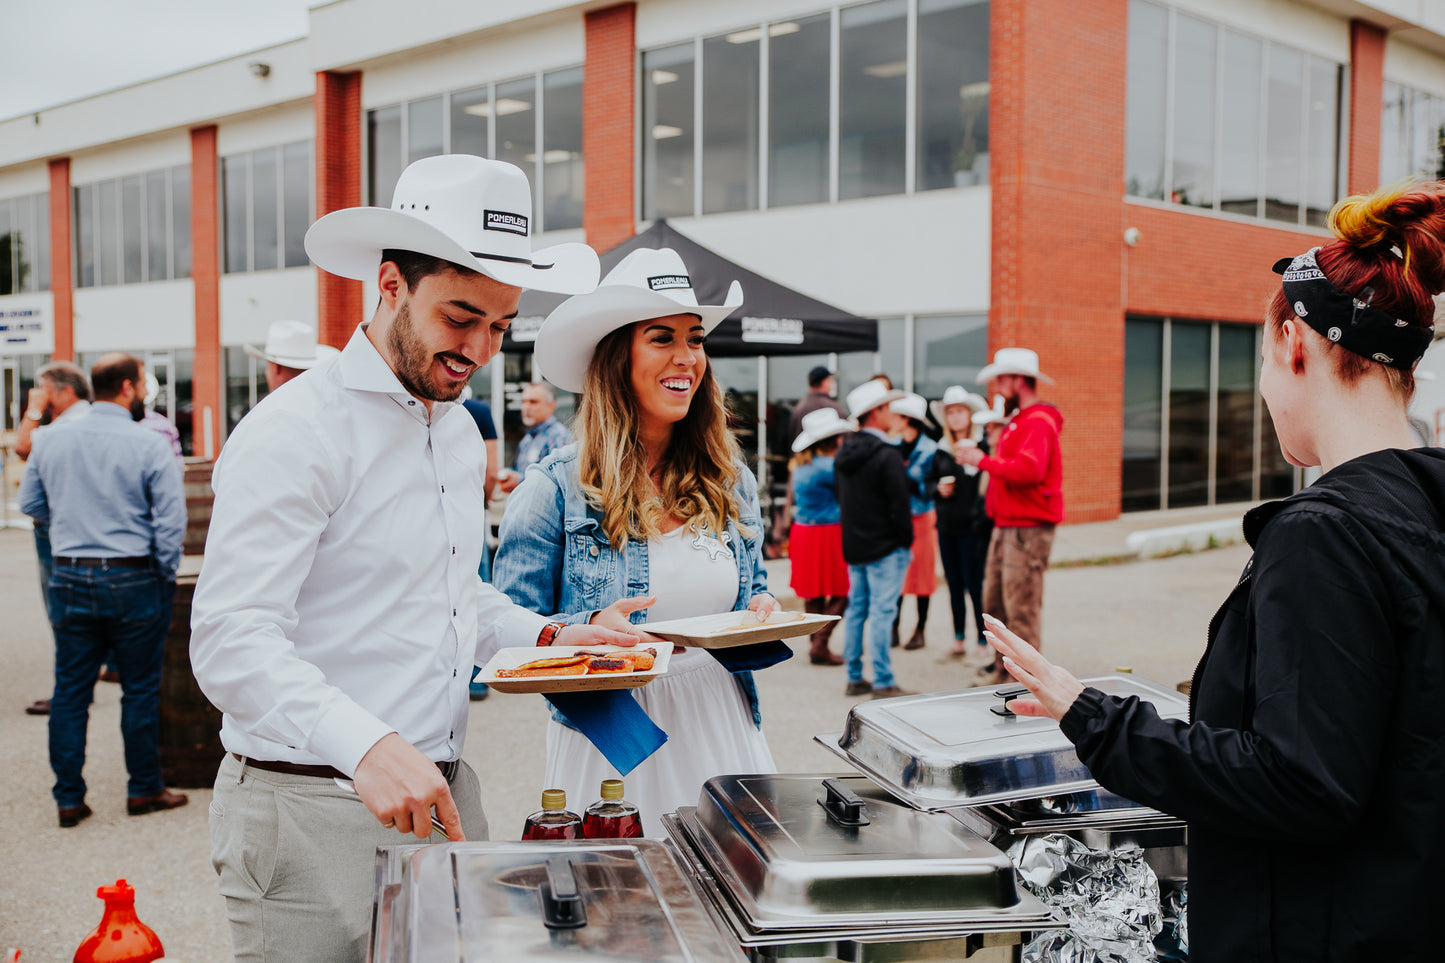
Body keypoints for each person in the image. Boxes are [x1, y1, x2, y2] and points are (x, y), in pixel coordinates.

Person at [985, 183, 1445, 962]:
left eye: (1259, 358)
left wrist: (1091, 714)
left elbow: (1302, 783)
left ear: (1291, 344)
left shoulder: (1322, 535)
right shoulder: (1421, 504)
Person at [189, 155, 629, 962]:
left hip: (443, 791)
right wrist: (364, 743)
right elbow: (229, 638)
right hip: (305, 803)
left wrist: (550, 637)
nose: (481, 350)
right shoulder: (295, 430)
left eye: (500, 326)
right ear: (390, 284)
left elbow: (456, 594)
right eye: (461, 317)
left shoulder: (457, 428)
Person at [493, 246, 781, 837]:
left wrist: (761, 611)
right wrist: (588, 626)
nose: (686, 357)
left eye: (695, 338)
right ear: (616, 359)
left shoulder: (732, 479)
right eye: (661, 337)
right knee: (620, 912)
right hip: (614, 732)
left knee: (730, 902)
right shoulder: (555, 488)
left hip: (722, 715)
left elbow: (753, 589)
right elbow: (506, 633)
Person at [18, 353, 188, 829]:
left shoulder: (51, 440)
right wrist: (161, 572)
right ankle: (143, 789)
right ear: (130, 388)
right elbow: (170, 522)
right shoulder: (149, 443)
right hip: (134, 576)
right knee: (139, 689)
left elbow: (29, 502)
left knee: (70, 690)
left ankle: (69, 799)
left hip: (71, 575)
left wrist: (74, 523)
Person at [955, 347, 1063, 684]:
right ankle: (1006, 676)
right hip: (1009, 526)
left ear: (1020, 380)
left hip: (1026, 528)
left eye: (1002, 379)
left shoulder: (1037, 421)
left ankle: (1025, 685)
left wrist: (981, 460)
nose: (998, 386)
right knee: (998, 606)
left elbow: (1029, 471)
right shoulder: (1021, 420)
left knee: (1021, 610)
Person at [15, 361, 93, 717]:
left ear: (64, 390)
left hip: (56, 532)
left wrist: (33, 409)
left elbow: (21, 449)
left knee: (61, 612)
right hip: (97, 533)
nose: (39, 395)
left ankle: (69, 691)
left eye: (43, 389)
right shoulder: (99, 420)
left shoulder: (53, 432)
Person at [834, 378, 913, 699]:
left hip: (856, 545)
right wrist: (905, 541)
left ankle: (854, 676)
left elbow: (844, 499)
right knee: (881, 612)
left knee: (857, 610)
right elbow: (900, 504)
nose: (892, 413)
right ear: (875, 412)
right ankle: (883, 680)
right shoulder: (886, 454)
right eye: (887, 407)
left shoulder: (844, 453)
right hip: (885, 547)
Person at [786, 407, 854, 665]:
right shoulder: (831, 466)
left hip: (804, 532)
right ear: (835, 439)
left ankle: (816, 643)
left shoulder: (800, 465)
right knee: (845, 590)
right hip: (829, 531)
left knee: (813, 593)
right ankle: (820, 643)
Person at [927, 386, 991, 658]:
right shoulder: (941, 450)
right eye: (950, 412)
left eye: (959, 412)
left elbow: (987, 486)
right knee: (953, 584)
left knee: (974, 584)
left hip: (973, 528)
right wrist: (937, 490)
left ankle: (982, 638)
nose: (954, 417)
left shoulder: (981, 446)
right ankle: (959, 638)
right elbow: (927, 482)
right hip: (946, 527)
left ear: (970, 415)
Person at [889, 393, 939, 651]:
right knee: (897, 574)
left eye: (896, 415)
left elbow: (915, 482)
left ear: (906, 419)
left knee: (921, 577)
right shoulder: (894, 445)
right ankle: (894, 628)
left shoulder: (930, 449)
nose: (891, 419)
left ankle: (920, 629)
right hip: (899, 518)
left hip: (921, 518)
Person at [496, 380, 573, 494]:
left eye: (533, 402)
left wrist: (519, 480)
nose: (526, 407)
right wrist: (510, 476)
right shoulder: (527, 439)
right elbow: (522, 472)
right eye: (524, 401)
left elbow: (559, 485)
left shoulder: (559, 437)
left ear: (551, 406)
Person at [243, 319, 341, 392]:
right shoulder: (328, 405)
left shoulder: (271, 415)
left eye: (268, 365)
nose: (266, 373)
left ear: (277, 368)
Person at [787, 364, 848, 442]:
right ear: (824, 382)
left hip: (804, 453)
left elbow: (792, 437)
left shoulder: (798, 408)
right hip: (829, 453)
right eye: (831, 380)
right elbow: (847, 435)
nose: (833, 384)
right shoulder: (832, 407)